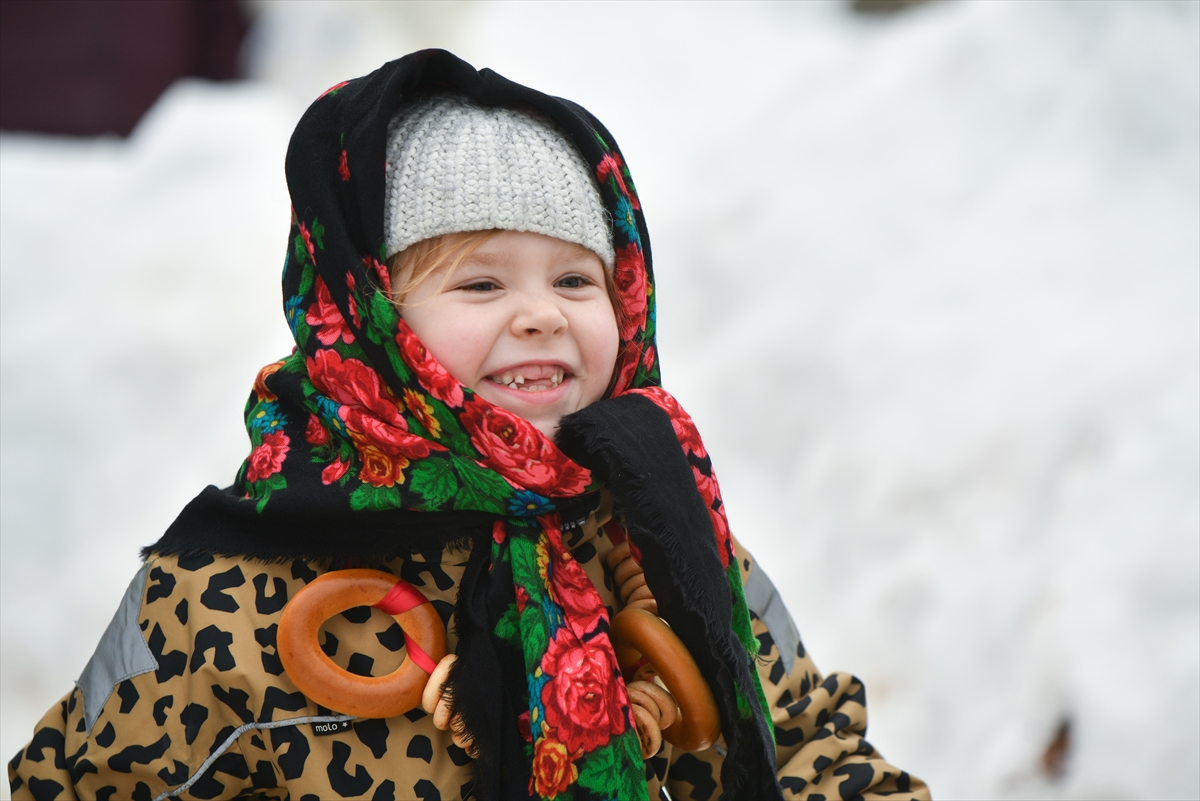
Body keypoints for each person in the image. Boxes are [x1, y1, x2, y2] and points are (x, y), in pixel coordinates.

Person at [7, 50, 929, 801]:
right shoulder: (225, 588)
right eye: (482, 284)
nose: (542, 315)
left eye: (576, 280)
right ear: (371, 319)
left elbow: (808, 744)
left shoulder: (659, 532)